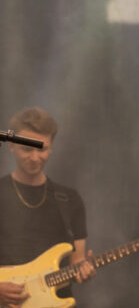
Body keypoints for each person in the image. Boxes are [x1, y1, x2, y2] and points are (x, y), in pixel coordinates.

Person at [0, 107, 95, 308]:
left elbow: (77, 262)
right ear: (11, 146)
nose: (35, 158)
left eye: (41, 149)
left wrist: (83, 271)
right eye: (27, 149)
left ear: (51, 147)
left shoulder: (70, 199)